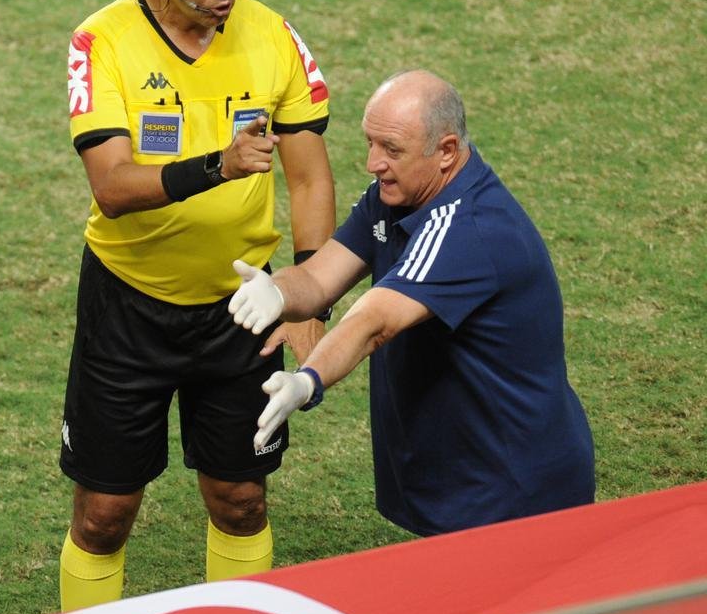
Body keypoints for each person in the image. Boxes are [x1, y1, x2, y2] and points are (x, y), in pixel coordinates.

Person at [59, 0, 335, 610]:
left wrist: (312, 289)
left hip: (241, 308)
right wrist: (218, 165)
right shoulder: (103, 41)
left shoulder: (276, 38)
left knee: (241, 499)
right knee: (104, 515)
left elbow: (309, 179)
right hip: (128, 307)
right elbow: (112, 187)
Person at [229, 70, 595, 537]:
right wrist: (278, 290)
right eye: (370, 143)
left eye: (391, 150)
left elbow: (375, 320)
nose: (372, 163)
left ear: (445, 152)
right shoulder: (394, 197)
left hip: (513, 488)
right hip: (460, 466)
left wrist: (307, 381)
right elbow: (320, 277)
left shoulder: (470, 229)